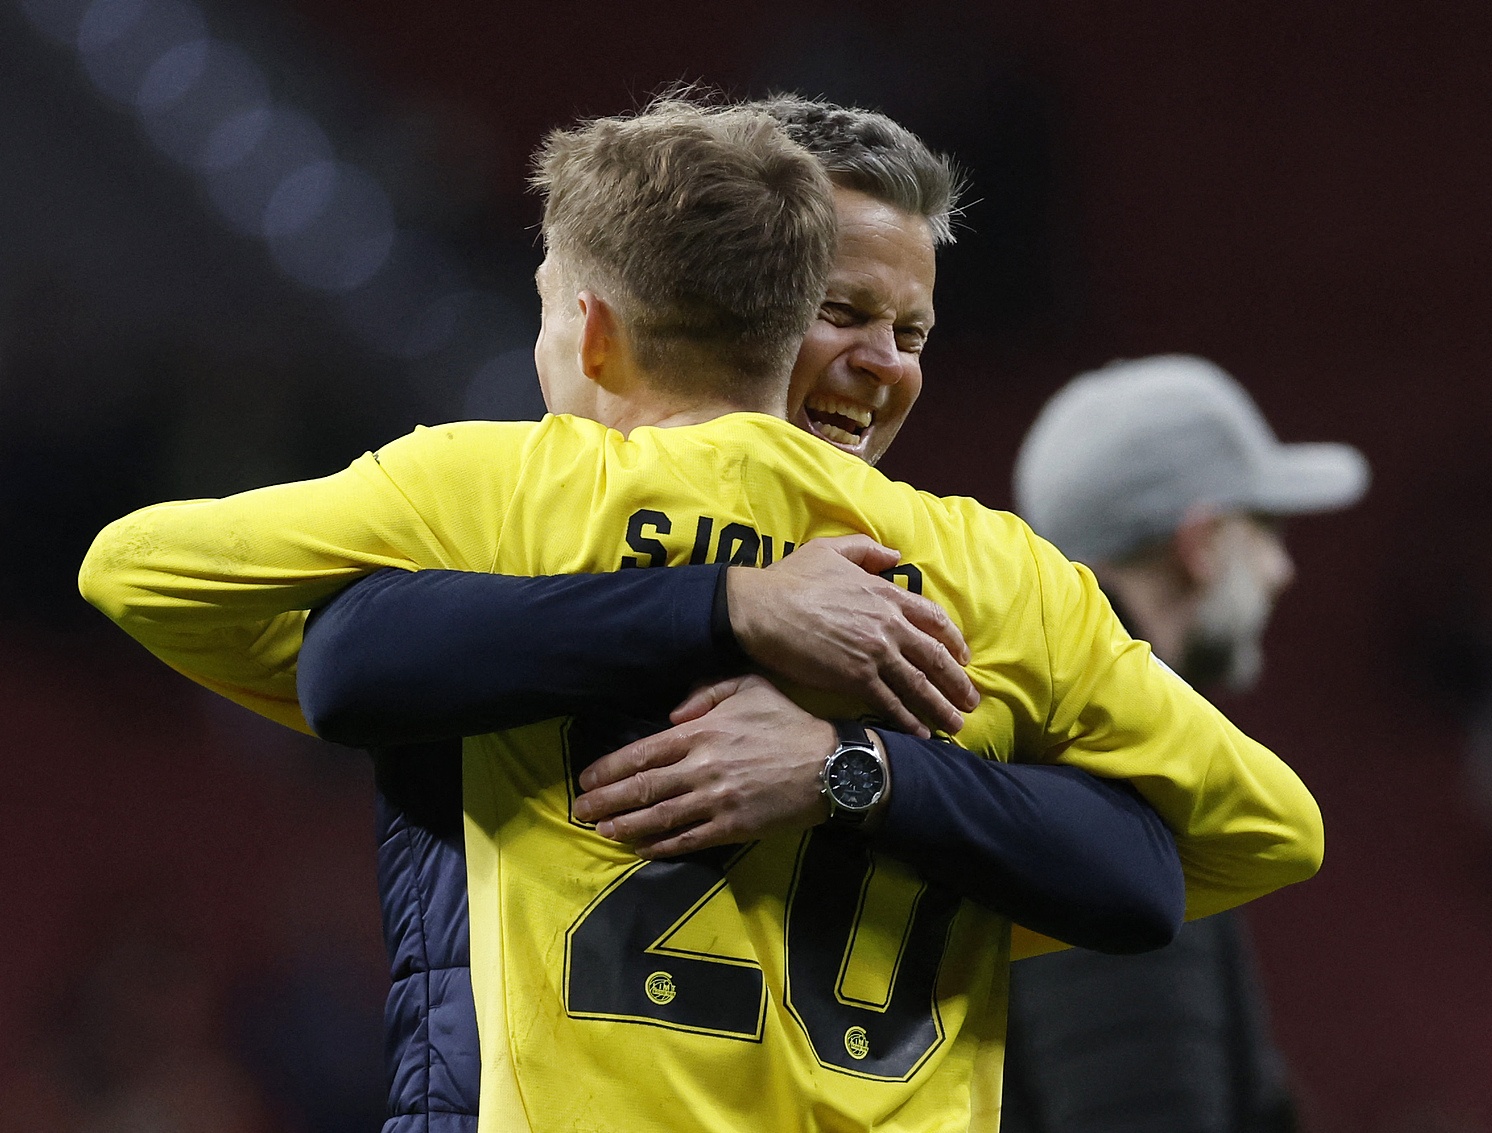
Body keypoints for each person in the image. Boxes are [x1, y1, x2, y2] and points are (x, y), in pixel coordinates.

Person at [80, 100, 1323, 1132]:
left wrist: (845, 768)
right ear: (764, 293)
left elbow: (178, 589)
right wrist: (744, 617)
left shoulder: (502, 503)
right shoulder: (997, 577)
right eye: (846, 311)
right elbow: (1257, 833)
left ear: (599, 318)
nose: (885, 361)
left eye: (911, 330)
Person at [1001, 354, 1370, 1133]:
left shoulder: (1046, 738)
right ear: (1200, 542)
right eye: (1264, 530)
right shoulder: (1117, 786)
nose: (1282, 570)